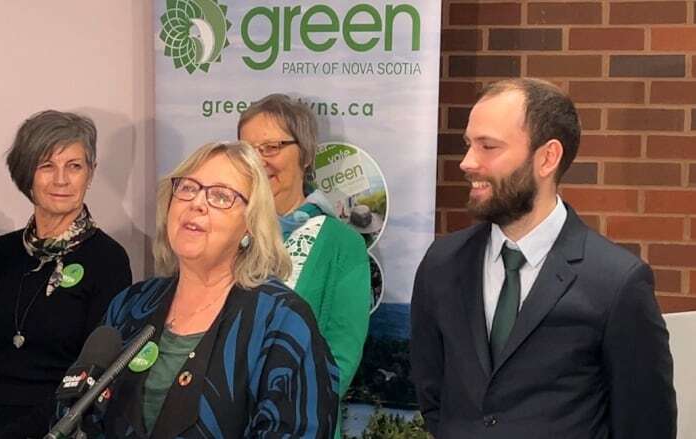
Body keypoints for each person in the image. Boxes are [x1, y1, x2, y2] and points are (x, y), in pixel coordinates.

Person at [410, 78, 676, 438]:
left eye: (488, 146)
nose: (467, 162)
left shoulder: (616, 283)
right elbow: (432, 393)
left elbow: (646, 424)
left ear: (547, 157)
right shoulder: (442, 264)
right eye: (468, 144)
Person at [82, 141, 337, 438]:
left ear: (250, 225)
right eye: (188, 188)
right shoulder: (130, 305)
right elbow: (80, 415)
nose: (196, 203)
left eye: (220, 196)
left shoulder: (282, 320)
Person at [0, 110, 132, 438]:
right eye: (47, 166)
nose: (61, 180)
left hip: (58, 427)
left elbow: (94, 378)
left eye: (74, 166)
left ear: (90, 173)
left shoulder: (107, 260)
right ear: (27, 174)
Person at [238, 94, 370, 402]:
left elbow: (342, 357)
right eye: (247, 150)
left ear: (306, 154)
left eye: (271, 147)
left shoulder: (342, 244)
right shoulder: (226, 231)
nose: (258, 160)